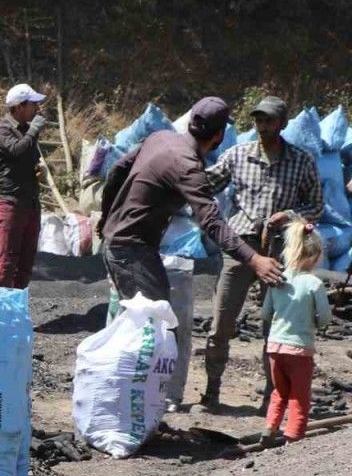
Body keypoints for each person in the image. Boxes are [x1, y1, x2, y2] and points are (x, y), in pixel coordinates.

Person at [197, 96, 322, 410]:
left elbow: (317, 206)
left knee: (277, 326)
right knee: (222, 322)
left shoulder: (301, 161)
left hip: (282, 250)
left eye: (268, 121)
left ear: (281, 123)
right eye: (258, 121)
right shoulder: (237, 155)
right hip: (241, 247)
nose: (262, 127)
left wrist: (290, 214)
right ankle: (211, 393)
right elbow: (204, 185)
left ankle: (273, 396)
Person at [99, 96, 285, 303]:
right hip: (131, 252)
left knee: (145, 321)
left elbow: (117, 171)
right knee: (154, 324)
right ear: (219, 135)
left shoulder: (160, 137)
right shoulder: (188, 167)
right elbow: (212, 222)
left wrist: (106, 219)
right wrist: (255, 260)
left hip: (121, 244)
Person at [260, 222, 331, 444]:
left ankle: (269, 430)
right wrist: (317, 326)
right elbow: (325, 318)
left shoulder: (278, 279)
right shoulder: (314, 284)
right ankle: (294, 437)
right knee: (299, 396)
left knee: (279, 392)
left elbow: (265, 313)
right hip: (300, 349)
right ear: (316, 255)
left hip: (274, 348)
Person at [0, 83, 48, 288]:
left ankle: (15, 312)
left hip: (30, 203)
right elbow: (16, 150)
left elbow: (31, 158)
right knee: (7, 262)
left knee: (25, 262)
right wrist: (33, 131)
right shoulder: (2, 131)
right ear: (20, 106)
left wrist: (41, 170)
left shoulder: (25, 130)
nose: (37, 109)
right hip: (10, 204)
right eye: (33, 104)